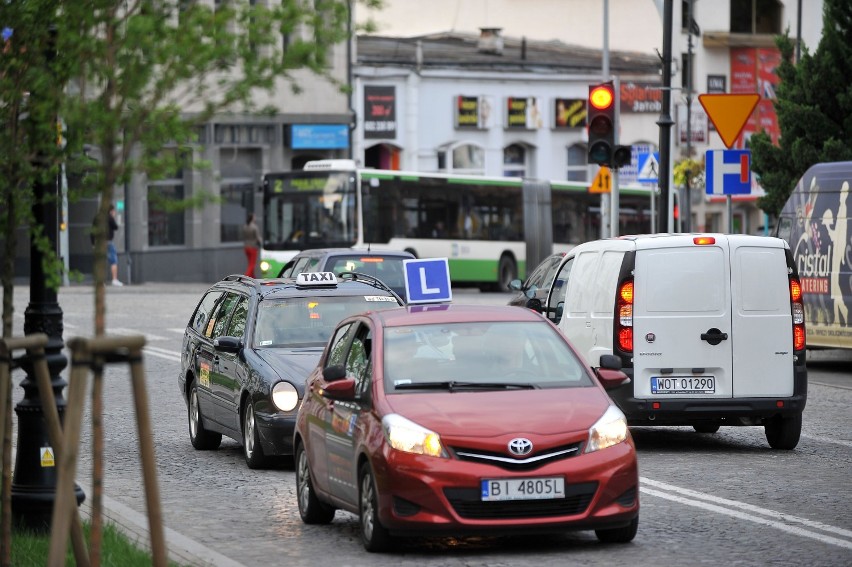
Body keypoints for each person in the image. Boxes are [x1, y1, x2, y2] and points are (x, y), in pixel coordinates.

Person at [105, 205, 122, 286]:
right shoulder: (110, 218)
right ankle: (114, 279)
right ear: (111, 211)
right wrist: (116, 218)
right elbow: (115, 227)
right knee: (114, 260)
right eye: (114, 211)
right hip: (108, 241)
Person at [242, 212, 261, 278]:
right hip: (253, 247)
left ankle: (253, 278)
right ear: (252, 218)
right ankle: (246, 278)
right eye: (254, 217)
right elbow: (257, 238)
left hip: (246, 247)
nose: (255, 218)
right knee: (252, 265)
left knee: (250, 263)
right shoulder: (254, 227)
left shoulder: (245, 226)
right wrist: (261, 242)